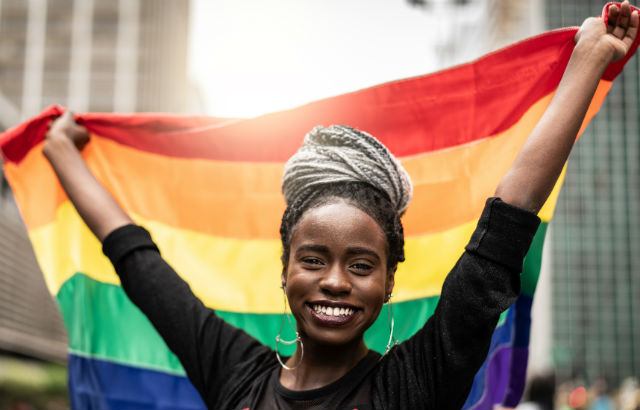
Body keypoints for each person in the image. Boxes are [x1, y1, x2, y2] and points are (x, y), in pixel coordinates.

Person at [42, 3, 638, 409]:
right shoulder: (235, 374)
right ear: (284, 271)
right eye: (313, 259)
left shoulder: (413, 386)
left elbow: (505, 226)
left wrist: (588, 61)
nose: (334, 282)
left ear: (387, 282)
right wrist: (63, 153)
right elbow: (139, 262)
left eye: (360, 264)